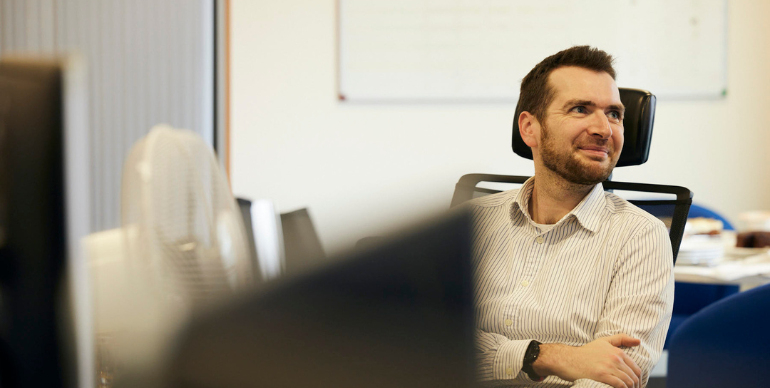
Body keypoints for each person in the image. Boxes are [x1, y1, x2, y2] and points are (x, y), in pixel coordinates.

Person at [468, 46, 673, 388]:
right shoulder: (473, 220)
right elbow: (430, 342)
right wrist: (547, 357)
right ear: (530, 128)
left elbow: (614, 377)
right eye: (581, 109)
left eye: (614, 114)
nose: (604, 129)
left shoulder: (641, 236)